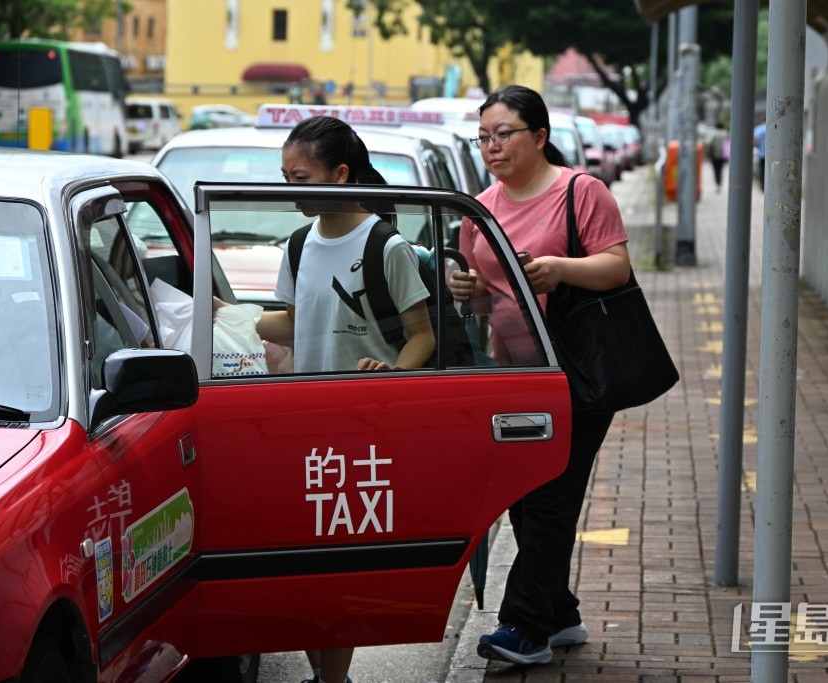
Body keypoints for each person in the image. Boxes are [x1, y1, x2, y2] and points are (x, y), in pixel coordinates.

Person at [224, 115, 435, 683]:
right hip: (302, 422)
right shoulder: (299, 242)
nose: (291, 192)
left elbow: (423, 336)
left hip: (359, 427)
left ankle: (332, 679)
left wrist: (388, 373)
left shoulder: (384, 245)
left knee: (337, 568)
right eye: (285, 179)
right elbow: (295, 323)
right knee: (303, 566)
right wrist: (225, 320)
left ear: (340, 175)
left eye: (301, 178)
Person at [449, 85, 630, 666]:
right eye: (484, 137)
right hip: (513, 376)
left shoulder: (580, 192)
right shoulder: (479, 209)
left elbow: (616, 266)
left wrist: (562, 270)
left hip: (576, 371)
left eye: (505, 134)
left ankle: (524, 628)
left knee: (550, 494)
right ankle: (561, 614)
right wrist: (468, 292)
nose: (492, 146)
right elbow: (484, 303)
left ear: (541, 137)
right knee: (523, 498)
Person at [707, 120, 729, 192]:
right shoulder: (725, 133)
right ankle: (720, 183)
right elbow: (728, 145)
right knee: (721, 170)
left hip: (714, 155)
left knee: (716, 170)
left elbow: (709, 143)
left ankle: (717, 184)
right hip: (723, 155)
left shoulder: (713, 133)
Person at [753, 121, 767, 190]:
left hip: (761, 153)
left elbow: (755, 141)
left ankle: (762, 186)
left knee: (762, 171)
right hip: (770, 155)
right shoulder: (772, 127)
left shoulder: (759, 129)